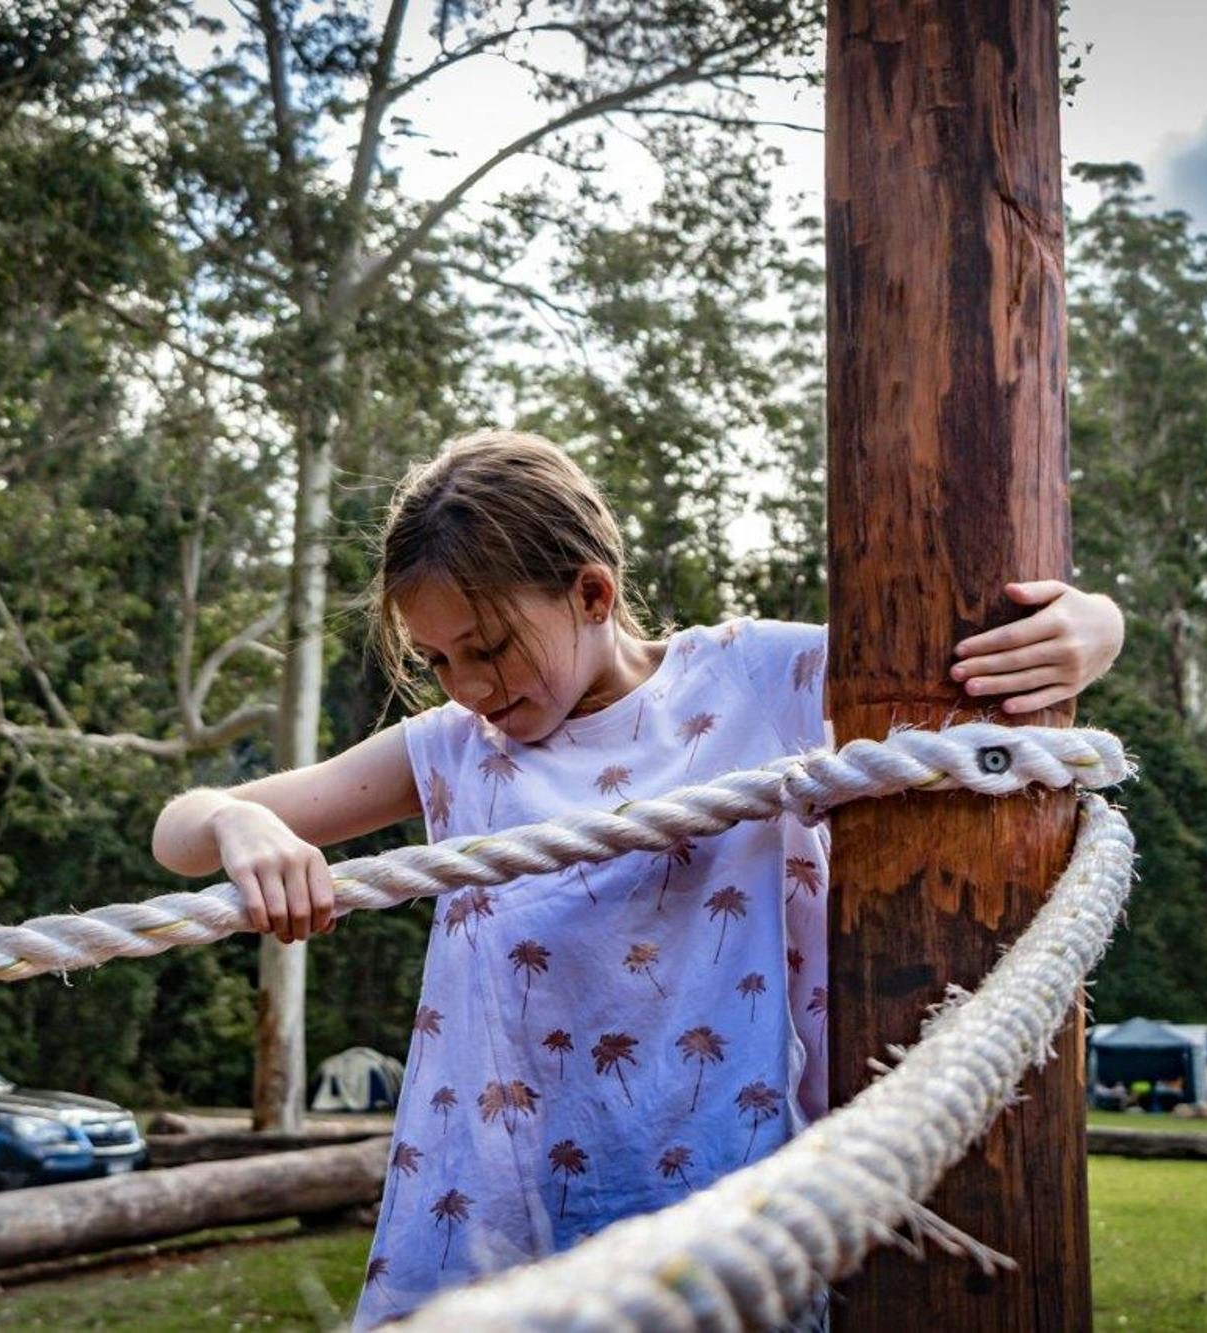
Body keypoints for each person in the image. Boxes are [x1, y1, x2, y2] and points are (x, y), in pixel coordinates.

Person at [150, 430, 1125, 1328]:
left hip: (735, 1182)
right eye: (438, 660)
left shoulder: (749, 681)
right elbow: (180, 831)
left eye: (487, 647)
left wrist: (1095, 625)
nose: (471, 687)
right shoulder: (453, 750)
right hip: (517, 1206)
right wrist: (239, 821)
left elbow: (957, 672)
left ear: (590, 593)